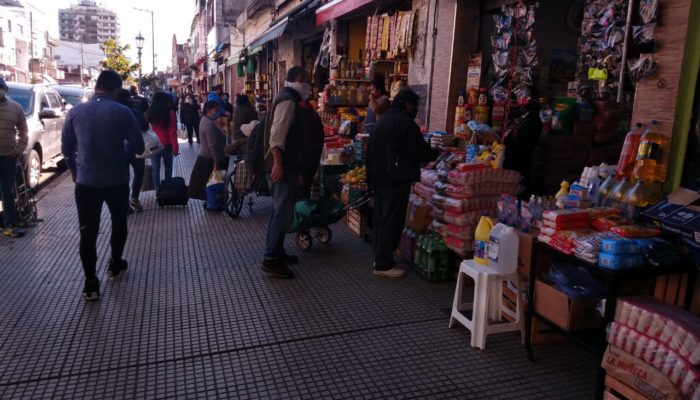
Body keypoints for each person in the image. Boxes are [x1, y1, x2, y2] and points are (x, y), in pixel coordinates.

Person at [61, 70, 145, 301]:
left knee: (88, 232)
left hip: (86, 183)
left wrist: (75, 172)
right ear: (116, 90)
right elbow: (138, 147)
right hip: (116, 180)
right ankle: (115, 263)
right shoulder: (123, 112)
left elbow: (66, 149)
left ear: (97, 86)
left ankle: (90, 283)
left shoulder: (75, 112)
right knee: (119, 223)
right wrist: (125, 149)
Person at [366, 89, 438, 278]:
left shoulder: (383, 120)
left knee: (381, 217)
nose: (415, 110)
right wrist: (436, 153)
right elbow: (421, 153)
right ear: (407, 105)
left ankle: (380, 257)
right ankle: (382, 264)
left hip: (378, 177)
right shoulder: (406, 123)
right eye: (414, 106)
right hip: (394, 179)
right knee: (392, 219)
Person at [261, 66, 310, 279]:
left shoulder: (287, 98)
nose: (309, 85)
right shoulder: (288, 101)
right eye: (307, 80)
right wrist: (278, 164)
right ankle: (271, 258)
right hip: (282, 167)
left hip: (288, 165)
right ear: (299, 79)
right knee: (281, 212)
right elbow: (276, 136)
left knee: (280, 211)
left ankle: (277, 252)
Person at [0, 77, 29, 238]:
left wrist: (17, 151)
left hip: (8, 158)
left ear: (5, 89)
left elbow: (24, 132)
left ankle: (9, 224)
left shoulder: (15, 108)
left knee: (7, 192)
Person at [503, 99, 543, 199]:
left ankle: (518, 201)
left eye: (521, 106)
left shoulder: (531, 121)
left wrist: (506, 143)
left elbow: (521, 143)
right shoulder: (526, 119)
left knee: (519, 184)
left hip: (519, 159)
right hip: (518, 158)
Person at [116, 89, 149, 212]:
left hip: (118, 147)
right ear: (128, 98)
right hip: (135, 146)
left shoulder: (113, 110)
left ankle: (124, 203)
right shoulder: (133, 111)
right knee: (139, 172)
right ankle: (134, 197)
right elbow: (144, 125)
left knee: (124, 175)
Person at [188, 101, 227, 202]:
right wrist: (216, 163)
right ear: (208, 110)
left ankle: (211, 202)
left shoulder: (204, 120)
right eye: (216, 110)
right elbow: (213, 146)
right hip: (211, 160)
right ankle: (214, 203)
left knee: (209, 184)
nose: (218, 113)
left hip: (205, 158)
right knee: (214, 184)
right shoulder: (209, 124)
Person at [147, 91, 178, 192]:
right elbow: (172, 132)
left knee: (155, 168)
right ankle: (167, 189)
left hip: (153, 143)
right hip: (166, 144)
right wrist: (175, 147)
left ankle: (157, 191)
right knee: (168, 167)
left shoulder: (149, 112)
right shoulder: (170, 113)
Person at [297, 98, 324, 199]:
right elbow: (320, 139)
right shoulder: (313, 115)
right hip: (310, 161)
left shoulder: (301, 116)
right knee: (304, 190)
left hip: (303, 162)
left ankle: (300, 212)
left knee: (301, 192)